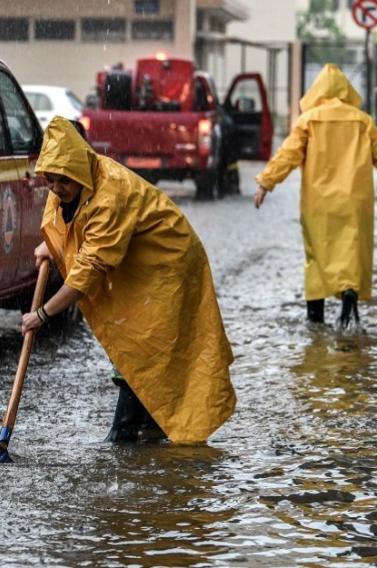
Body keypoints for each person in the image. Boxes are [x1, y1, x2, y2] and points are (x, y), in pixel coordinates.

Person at [20, 116, 236, 444]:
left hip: (168, 263)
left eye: (61, 182)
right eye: (49, 181)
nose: (55, 188)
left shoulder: (110, 195)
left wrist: (43, 314)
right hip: (135, 266)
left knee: (145, 343)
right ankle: (151, 429)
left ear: (77, 170)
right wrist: (52, 245)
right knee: (135, 339)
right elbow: (70, 222)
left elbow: (86, 273)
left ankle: (125, 433)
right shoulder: (68, 180)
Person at [254, 64, 377, 327]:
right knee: (350, 250)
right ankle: (349, 293)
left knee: (317, 254)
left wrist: (266, 183)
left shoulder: (308, 120)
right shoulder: (362, 120)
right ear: (346, 91)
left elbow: (287, 155)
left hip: (319, 201)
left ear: (316, 91)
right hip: (354, 200)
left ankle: (315, 317)